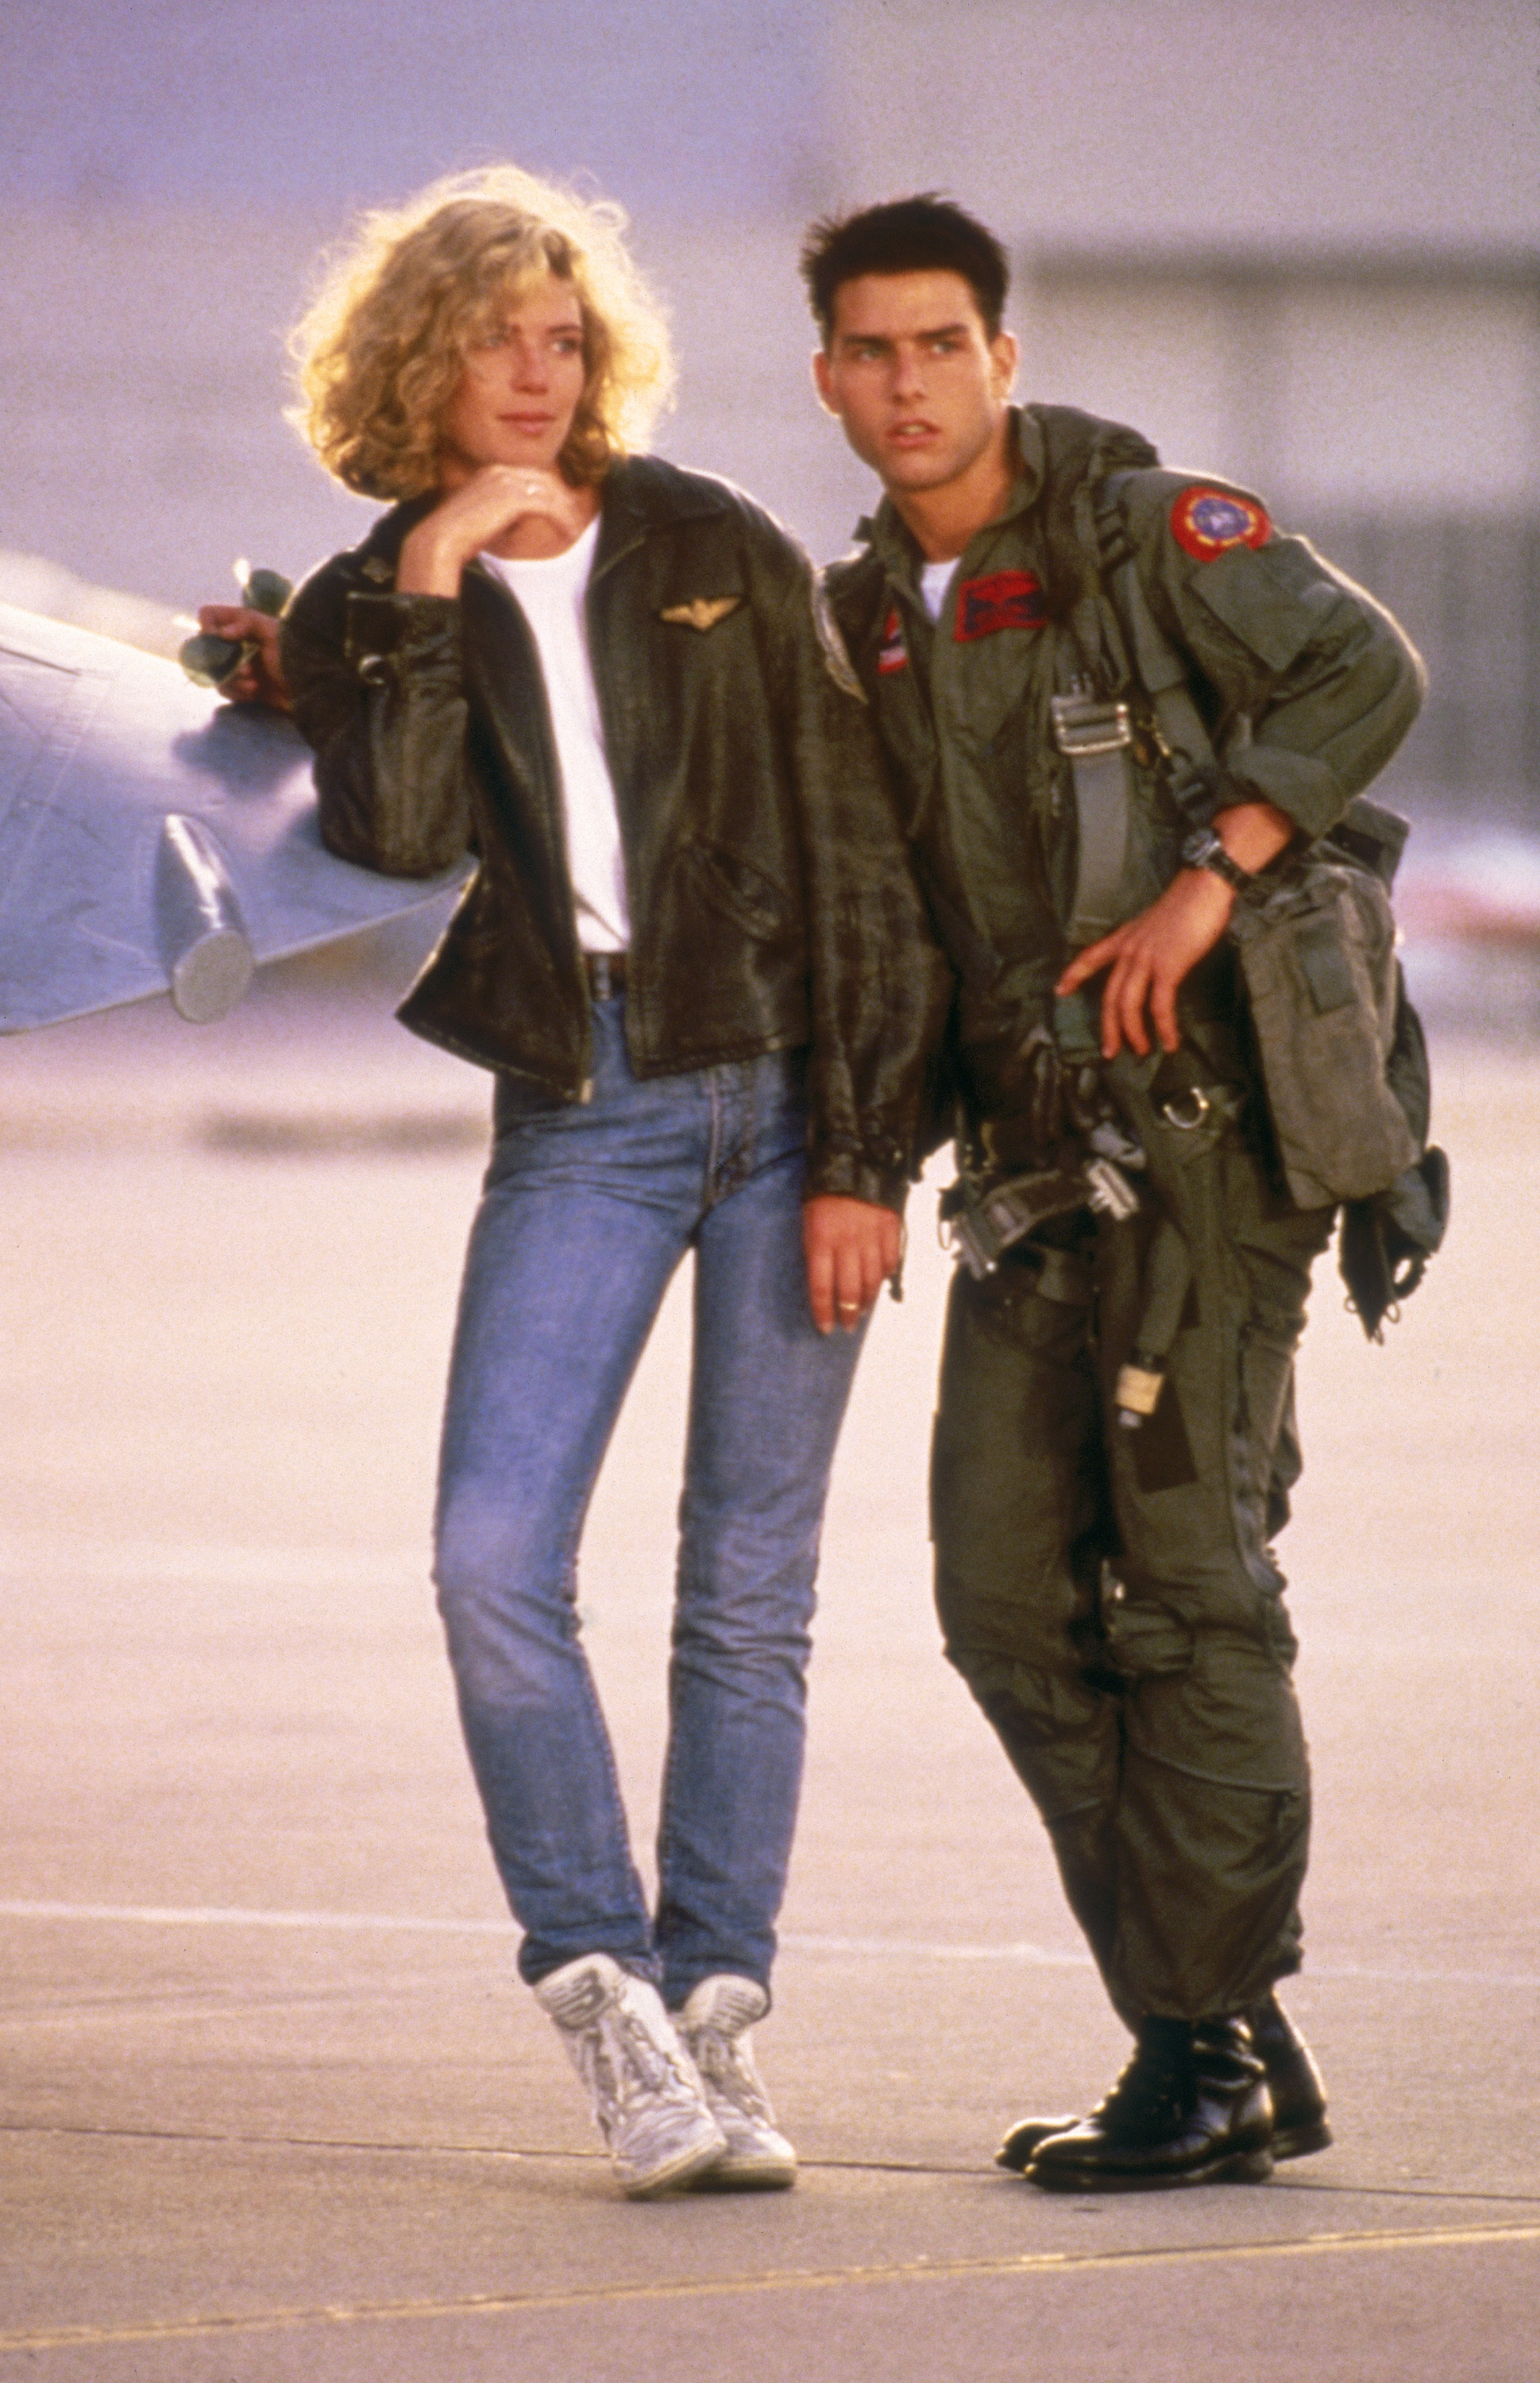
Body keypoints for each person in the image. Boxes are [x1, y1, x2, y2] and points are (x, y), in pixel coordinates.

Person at [210, 165, 947, 2200]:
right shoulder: (377, 596)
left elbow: (857, 853)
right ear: (416, 359)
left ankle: (719, 2016)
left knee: (747, 1589)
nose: (535, 373)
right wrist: (435, 574)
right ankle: (599, 1988)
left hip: (791, 1103)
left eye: (564, 336)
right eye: (493, 338)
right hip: (588, 1108)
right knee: (486, 1560)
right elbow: (401, 832)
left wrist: (870, 1150)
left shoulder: (708, 536)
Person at [803, 195, 1424, 2191]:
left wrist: (1211, 866)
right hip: (1026, 1169)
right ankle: (1218, 2024)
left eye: (939, 346)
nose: (907, 386)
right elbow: (883, 912)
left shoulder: (1151, 533)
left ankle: (1199, 2044)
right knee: (999, 1597)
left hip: (1210, 1146)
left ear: (1001, 352)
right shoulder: (866, 614)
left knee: (1188, 1599)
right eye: (869, 354)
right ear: (829, 377)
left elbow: (1365, 668)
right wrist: (858, 1159)